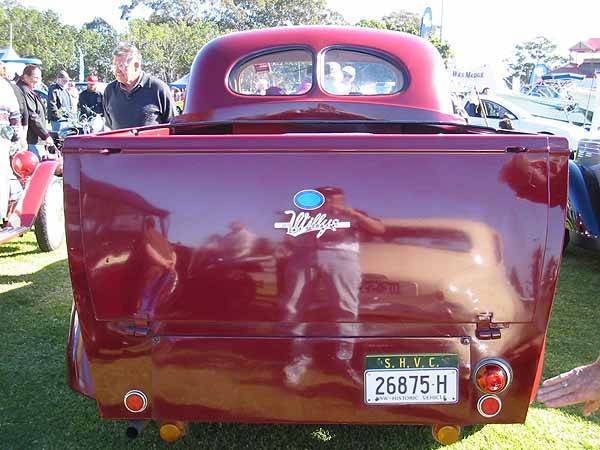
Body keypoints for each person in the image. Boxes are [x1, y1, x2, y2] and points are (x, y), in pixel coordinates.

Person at [103, 42, 175, 130]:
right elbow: (109, 126)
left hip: (151, 143)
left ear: (136, 66)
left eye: (121, 66)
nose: (117, 70)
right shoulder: (110, 91)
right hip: (119, 144)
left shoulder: (158, 89)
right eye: (115, 65)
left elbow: (173, 126)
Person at [17, 65, 53, 160]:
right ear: (25, 77)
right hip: (31, 138)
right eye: (36, 77)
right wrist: (45, 135)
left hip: (35, 138)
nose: (38, 80)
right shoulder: (24, 91)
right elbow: (32, 116)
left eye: (39, 77)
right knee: (35, 168)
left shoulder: (29, 90)